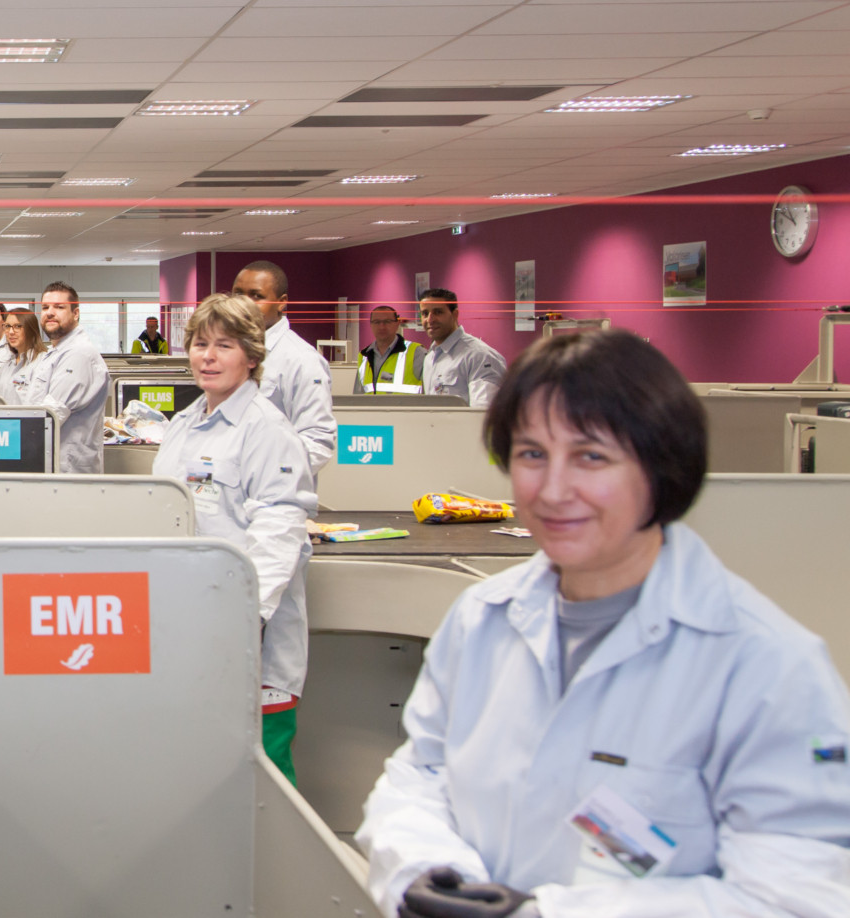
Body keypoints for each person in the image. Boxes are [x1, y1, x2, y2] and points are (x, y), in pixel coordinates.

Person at [358, 330, 850, 918]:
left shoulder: (767, 665)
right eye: (532, 454)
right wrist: (422, 871)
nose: (554, 489)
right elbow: (422, 773)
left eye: (591, 456)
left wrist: (547, 914)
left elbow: (798, 899)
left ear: (662, 467)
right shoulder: (481, 617)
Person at [150, 294, 316, 783]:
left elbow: (279, 531)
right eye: (200, 344)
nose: (208, 356)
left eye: (224, 345)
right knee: (201, 775)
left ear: (252, 356)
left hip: (248, 639)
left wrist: (244, 617)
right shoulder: (184, 423)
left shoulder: (267, 430)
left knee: (263, 781)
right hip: (188, 623)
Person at [231, 260, 338, 476]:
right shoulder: (228, 352)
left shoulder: (301, 359)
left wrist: (264, 474)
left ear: (282, 302)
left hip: (272, 495)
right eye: (238, 293)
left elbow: (317, 442)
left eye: (256, 296)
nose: (244, 303)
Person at [23, 281, 109, 474]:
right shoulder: (58, 351)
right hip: (52, 465)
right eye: (45, 307)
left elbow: (47, 417)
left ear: (75, 313)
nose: (50, 313)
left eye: (59, 307)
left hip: (68, 471)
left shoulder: (78, 354)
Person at [418, 288, 506, 409]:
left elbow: (483, 415)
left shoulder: (479, 356)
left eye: (438, 312)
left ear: (455, 314)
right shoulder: (430, 358)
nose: (430, 319)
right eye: (425, 313)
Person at [355, 305, 426, 394]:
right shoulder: (364, 356)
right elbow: (358, 397)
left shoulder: (416, 352)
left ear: (397, 324)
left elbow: (429, 392)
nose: (382, 327)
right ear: (371, 325)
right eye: (377, 322)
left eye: (387, 322)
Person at [0, 308, 46, 405]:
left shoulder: (42, 362)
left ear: (31, 329)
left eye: (17, 326)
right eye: (7, 326)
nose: (11, 332)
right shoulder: (6, 364)